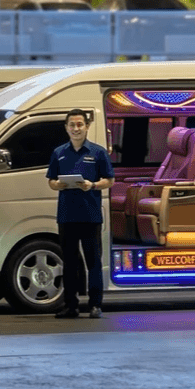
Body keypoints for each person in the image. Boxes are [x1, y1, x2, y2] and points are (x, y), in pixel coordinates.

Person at [47, 108, 114, 319]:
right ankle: (71, 306)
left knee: (93, 262)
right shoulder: (59, 152)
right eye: (72, 125)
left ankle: (95, 306)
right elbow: (51, 181)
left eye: (80, 125)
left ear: (86, 127)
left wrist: (92, 185)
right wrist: (58, 184)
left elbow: (109, 180)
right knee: (69, 263)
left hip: (90, 215)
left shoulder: (98, 152)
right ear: (66, 128)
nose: (76, 129)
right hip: (66, 216)